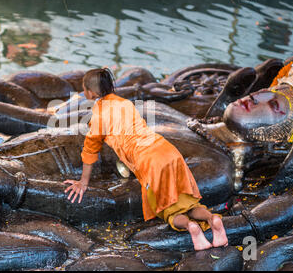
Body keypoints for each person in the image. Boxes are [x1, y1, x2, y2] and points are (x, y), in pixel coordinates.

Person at [63, 68, 228, 250]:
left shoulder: (98, 116)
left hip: (149, 160)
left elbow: (90, 151)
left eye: (84, 89)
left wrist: (83, 183)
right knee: (189, 204)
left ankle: (191, 228)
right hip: (167, 150)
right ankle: (212, 219)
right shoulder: (125, 104)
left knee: (168, 212)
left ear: (91, 92)